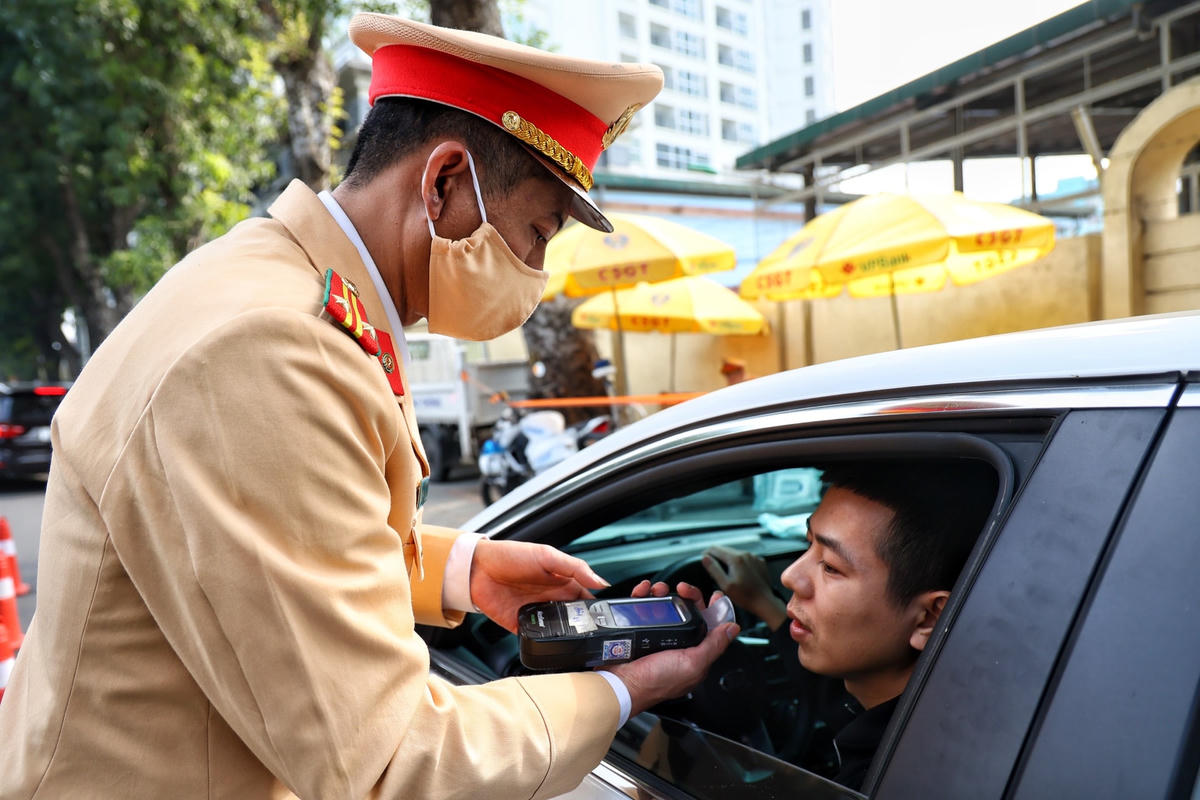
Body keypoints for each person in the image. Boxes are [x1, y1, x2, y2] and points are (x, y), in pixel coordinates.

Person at [0, 14, 738, 800]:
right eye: (537, 233)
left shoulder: (276, 285)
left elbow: (255, 539)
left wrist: (464, 569)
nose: (536, 274)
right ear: (445, 181)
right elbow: (390, 763)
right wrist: (625, 691)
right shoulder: (274, 350)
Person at [703, 460, 996, 790]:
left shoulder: (891, 779)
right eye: (807, 543)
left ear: (928, 617)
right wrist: (764, 603)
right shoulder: (942, 718)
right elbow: (826, 692)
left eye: (830, 566)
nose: (789, 576)